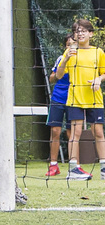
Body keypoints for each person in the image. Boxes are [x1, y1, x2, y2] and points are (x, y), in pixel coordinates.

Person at [63, 19, 105, 180]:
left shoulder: (98, 52)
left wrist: (98, 79)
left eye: (83, 31)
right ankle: (73, 169)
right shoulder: (70, 52)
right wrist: (66, 59)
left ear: (91, 33)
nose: (80, 34)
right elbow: (58, 75)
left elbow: (104, 72)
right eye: (77, 31)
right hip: (75, 98)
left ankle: (103, 168)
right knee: (76, 133)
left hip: (94, 98)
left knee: (98, 132)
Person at [46, 34, 76, 177]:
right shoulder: (61, 59)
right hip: (58, 99)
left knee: (72, 133)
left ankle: (74, 165)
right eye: (68, 45)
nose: (70, 47)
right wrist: (56, 75)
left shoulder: (82, 60)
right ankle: (53, 165)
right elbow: (52, 78)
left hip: (74, 99)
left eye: (73, 44)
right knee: (55, 131)